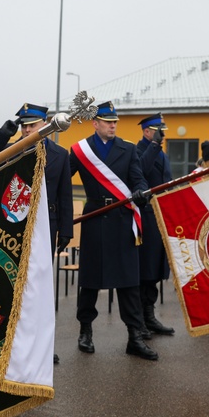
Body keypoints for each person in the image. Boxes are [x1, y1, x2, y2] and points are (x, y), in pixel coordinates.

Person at [0, 103, 74, 363]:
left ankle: (42, 345)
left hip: (46, 225)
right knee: (11, 282)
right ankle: (11, 342)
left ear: (46, 123)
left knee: (40, 288)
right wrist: (1, 135)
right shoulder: (11, 150)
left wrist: (65, 229)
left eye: (32, 124)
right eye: (23, 125)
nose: (27, 129)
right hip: (14, 224)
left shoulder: (61, 154)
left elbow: (65, 193)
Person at [69, 102, 158, 361]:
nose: (112, 125)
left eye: (115, 121)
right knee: (90, 281)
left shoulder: (128, 149)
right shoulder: (80, 151)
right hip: (95, 219)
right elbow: (63, 177)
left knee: (128, 281)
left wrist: (141, 192)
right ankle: (85, 331)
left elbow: (138, 178)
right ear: (95, 123)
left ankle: (134, 336)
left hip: (122, 220)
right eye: (107, 121)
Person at [136, 114, 174, 337]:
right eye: (158, 131)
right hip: (146, 217)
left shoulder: (160, 151)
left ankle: (149, 316)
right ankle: (140, 319)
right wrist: (153, 146)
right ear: (147, 131)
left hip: (160, 215)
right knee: (145, 268)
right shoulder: (139, 150)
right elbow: (140, 170)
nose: (163, 135)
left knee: (156, 269)